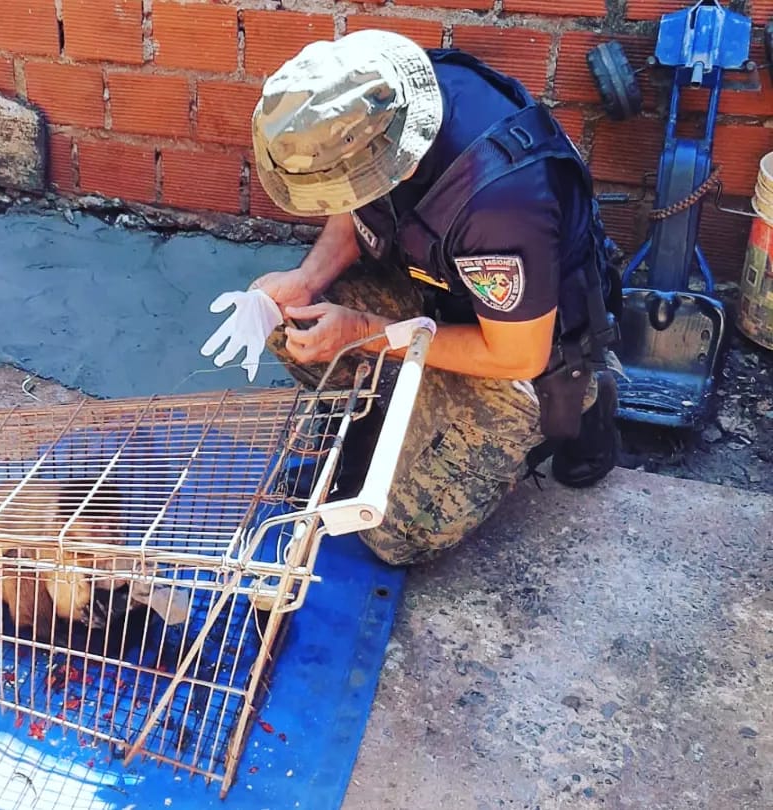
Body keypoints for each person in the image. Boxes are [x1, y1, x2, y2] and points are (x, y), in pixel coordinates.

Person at [246, 29, 624, 566]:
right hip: (437, 291)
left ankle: (585, 405)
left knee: (393, 534)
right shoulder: (381, 101)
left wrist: (363, 332)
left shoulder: (500, 204)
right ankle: (386, 421)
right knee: (293, 325)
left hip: (522, 345)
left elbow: (516, 354)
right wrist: (307, 279)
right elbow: (354, 202)